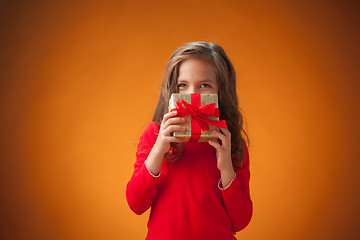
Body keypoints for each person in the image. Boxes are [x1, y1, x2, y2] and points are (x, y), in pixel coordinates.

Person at [126, 41, 253, 240]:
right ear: (171, 90)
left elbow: (241, 221)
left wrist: (226, 167)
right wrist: (159, 150)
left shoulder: (232, 143)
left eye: (204, 85)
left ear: (221, 92)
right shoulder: (154, 135)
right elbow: (136, 204)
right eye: (182, 85)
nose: (192, 94)